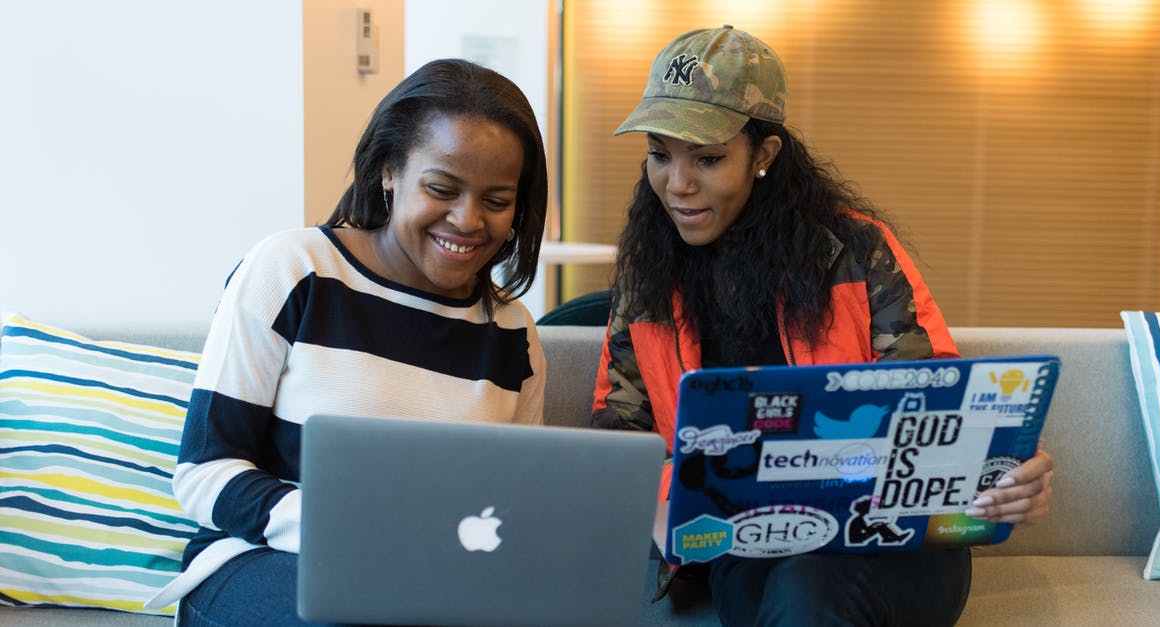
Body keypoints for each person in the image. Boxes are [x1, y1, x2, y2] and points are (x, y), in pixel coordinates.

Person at [591, 26, 1054, 626]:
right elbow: (617, 434)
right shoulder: (646, 274)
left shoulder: (854, 251)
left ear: (764, 155)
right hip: (745, 548)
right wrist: (666, 501)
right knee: (796, 587)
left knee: (808, 588)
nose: (677, 184)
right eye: (659, 153)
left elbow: (937, 398)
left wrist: (1004, 474)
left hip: (894, 542)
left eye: (706, 158)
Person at [146, 58, 549, 625]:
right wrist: (350, 530)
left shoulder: (513, 333)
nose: (467, 220)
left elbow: (510, 506)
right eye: (442, 188)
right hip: (262, 563)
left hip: (434, 583)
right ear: (389, 170)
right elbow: (204, 473)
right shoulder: (293, 271)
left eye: (497, 200)